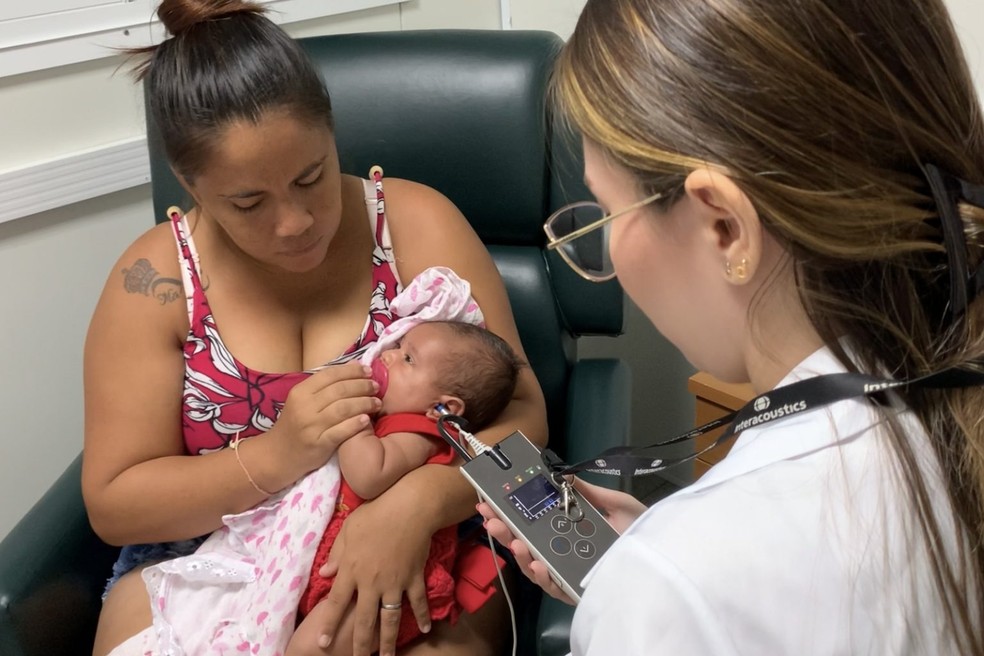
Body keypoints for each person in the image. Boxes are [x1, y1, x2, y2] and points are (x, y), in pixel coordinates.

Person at [479, 0, 984, 654]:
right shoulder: (941, 396)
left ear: (724, 227)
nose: (607, 256)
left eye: (604, 214)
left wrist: (655, 592)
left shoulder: (674, 587)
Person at [81, 1, 547, 655]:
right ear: (189, 183)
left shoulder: (417, 226)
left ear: (332, 134)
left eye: (311, 176)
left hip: (416, 554)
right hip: (207, 562)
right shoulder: (153, 282)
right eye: (248, 203)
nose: (295, 222)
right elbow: (115, 504)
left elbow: (524, 414)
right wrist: (277, 456)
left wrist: (416, 503)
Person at [289, 319, 525, 655]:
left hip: (389, 584)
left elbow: (369, 476)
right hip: (349, 567)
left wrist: (349, 417)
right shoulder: (393, 421)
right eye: (398, 347)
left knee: (310, 649)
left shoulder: (420, 433)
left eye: (407, 359)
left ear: (443, 408)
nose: (387, 356)